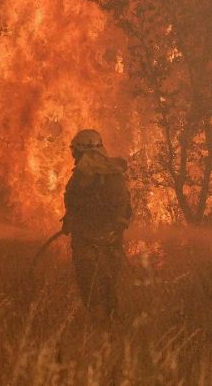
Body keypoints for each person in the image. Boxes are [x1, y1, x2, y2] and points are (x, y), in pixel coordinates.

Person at [62, 128, 132, 320]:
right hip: (98, 237)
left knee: (97, 282)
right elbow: (75, 202)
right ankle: (102, 322)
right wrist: (69, 219)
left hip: (96, 239)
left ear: (85, 150)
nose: (74, 155)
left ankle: (105, 323)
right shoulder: (87, 174)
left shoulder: (107, 175)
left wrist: (113, 230)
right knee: (99, 282)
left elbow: (120, 207)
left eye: (75, 151)